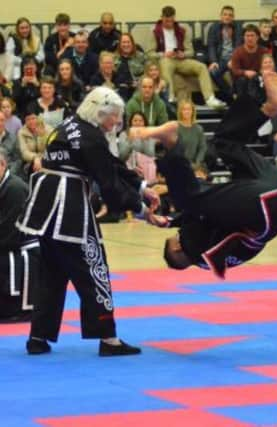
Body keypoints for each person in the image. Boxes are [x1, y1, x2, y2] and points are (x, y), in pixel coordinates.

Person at [16, 86, 161, 356]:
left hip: (45, 209)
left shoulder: (71, 123)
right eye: (114, 117)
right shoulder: (91, 136)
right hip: (69, 210)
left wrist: (141, 186)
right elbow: (109, 183)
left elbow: (108, 163)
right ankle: (108, 338)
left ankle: (38, 336)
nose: (116, 123)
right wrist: (141, 209)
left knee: (51, 272)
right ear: (100, 112)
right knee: (94, 268)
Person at [129, 71, 277, 278]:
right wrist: (167, 220)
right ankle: (170, 142)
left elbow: (199, 222)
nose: (179, 234)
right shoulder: (195, 251)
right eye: (176, 237)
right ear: (177, 249)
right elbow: (195, 215)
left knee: (224, 142)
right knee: (189, 199)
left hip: (274, 193)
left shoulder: (211, 252)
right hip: (260, 207)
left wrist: (167, 220)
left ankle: (267, 106)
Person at [148, 6, 226, 109]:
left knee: (201, 67)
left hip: (180, 59)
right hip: (166, 59)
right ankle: (170, 98)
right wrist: (163, 54)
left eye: (171, 21)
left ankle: (210, 99)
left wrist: (183, 54)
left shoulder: (182, 30)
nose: (168, 24)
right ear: (162, 18)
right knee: (165, 64)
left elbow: (191, 51)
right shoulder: (155, 32)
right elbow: (149, 53)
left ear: (174, 18)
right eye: (166, 21)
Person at [0, 147, 39, 322]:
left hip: (24, 249)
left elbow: (10, 232)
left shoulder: (14, 188)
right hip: (9, 243)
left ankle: (12, 307)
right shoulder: (4, 185)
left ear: (2, 165)